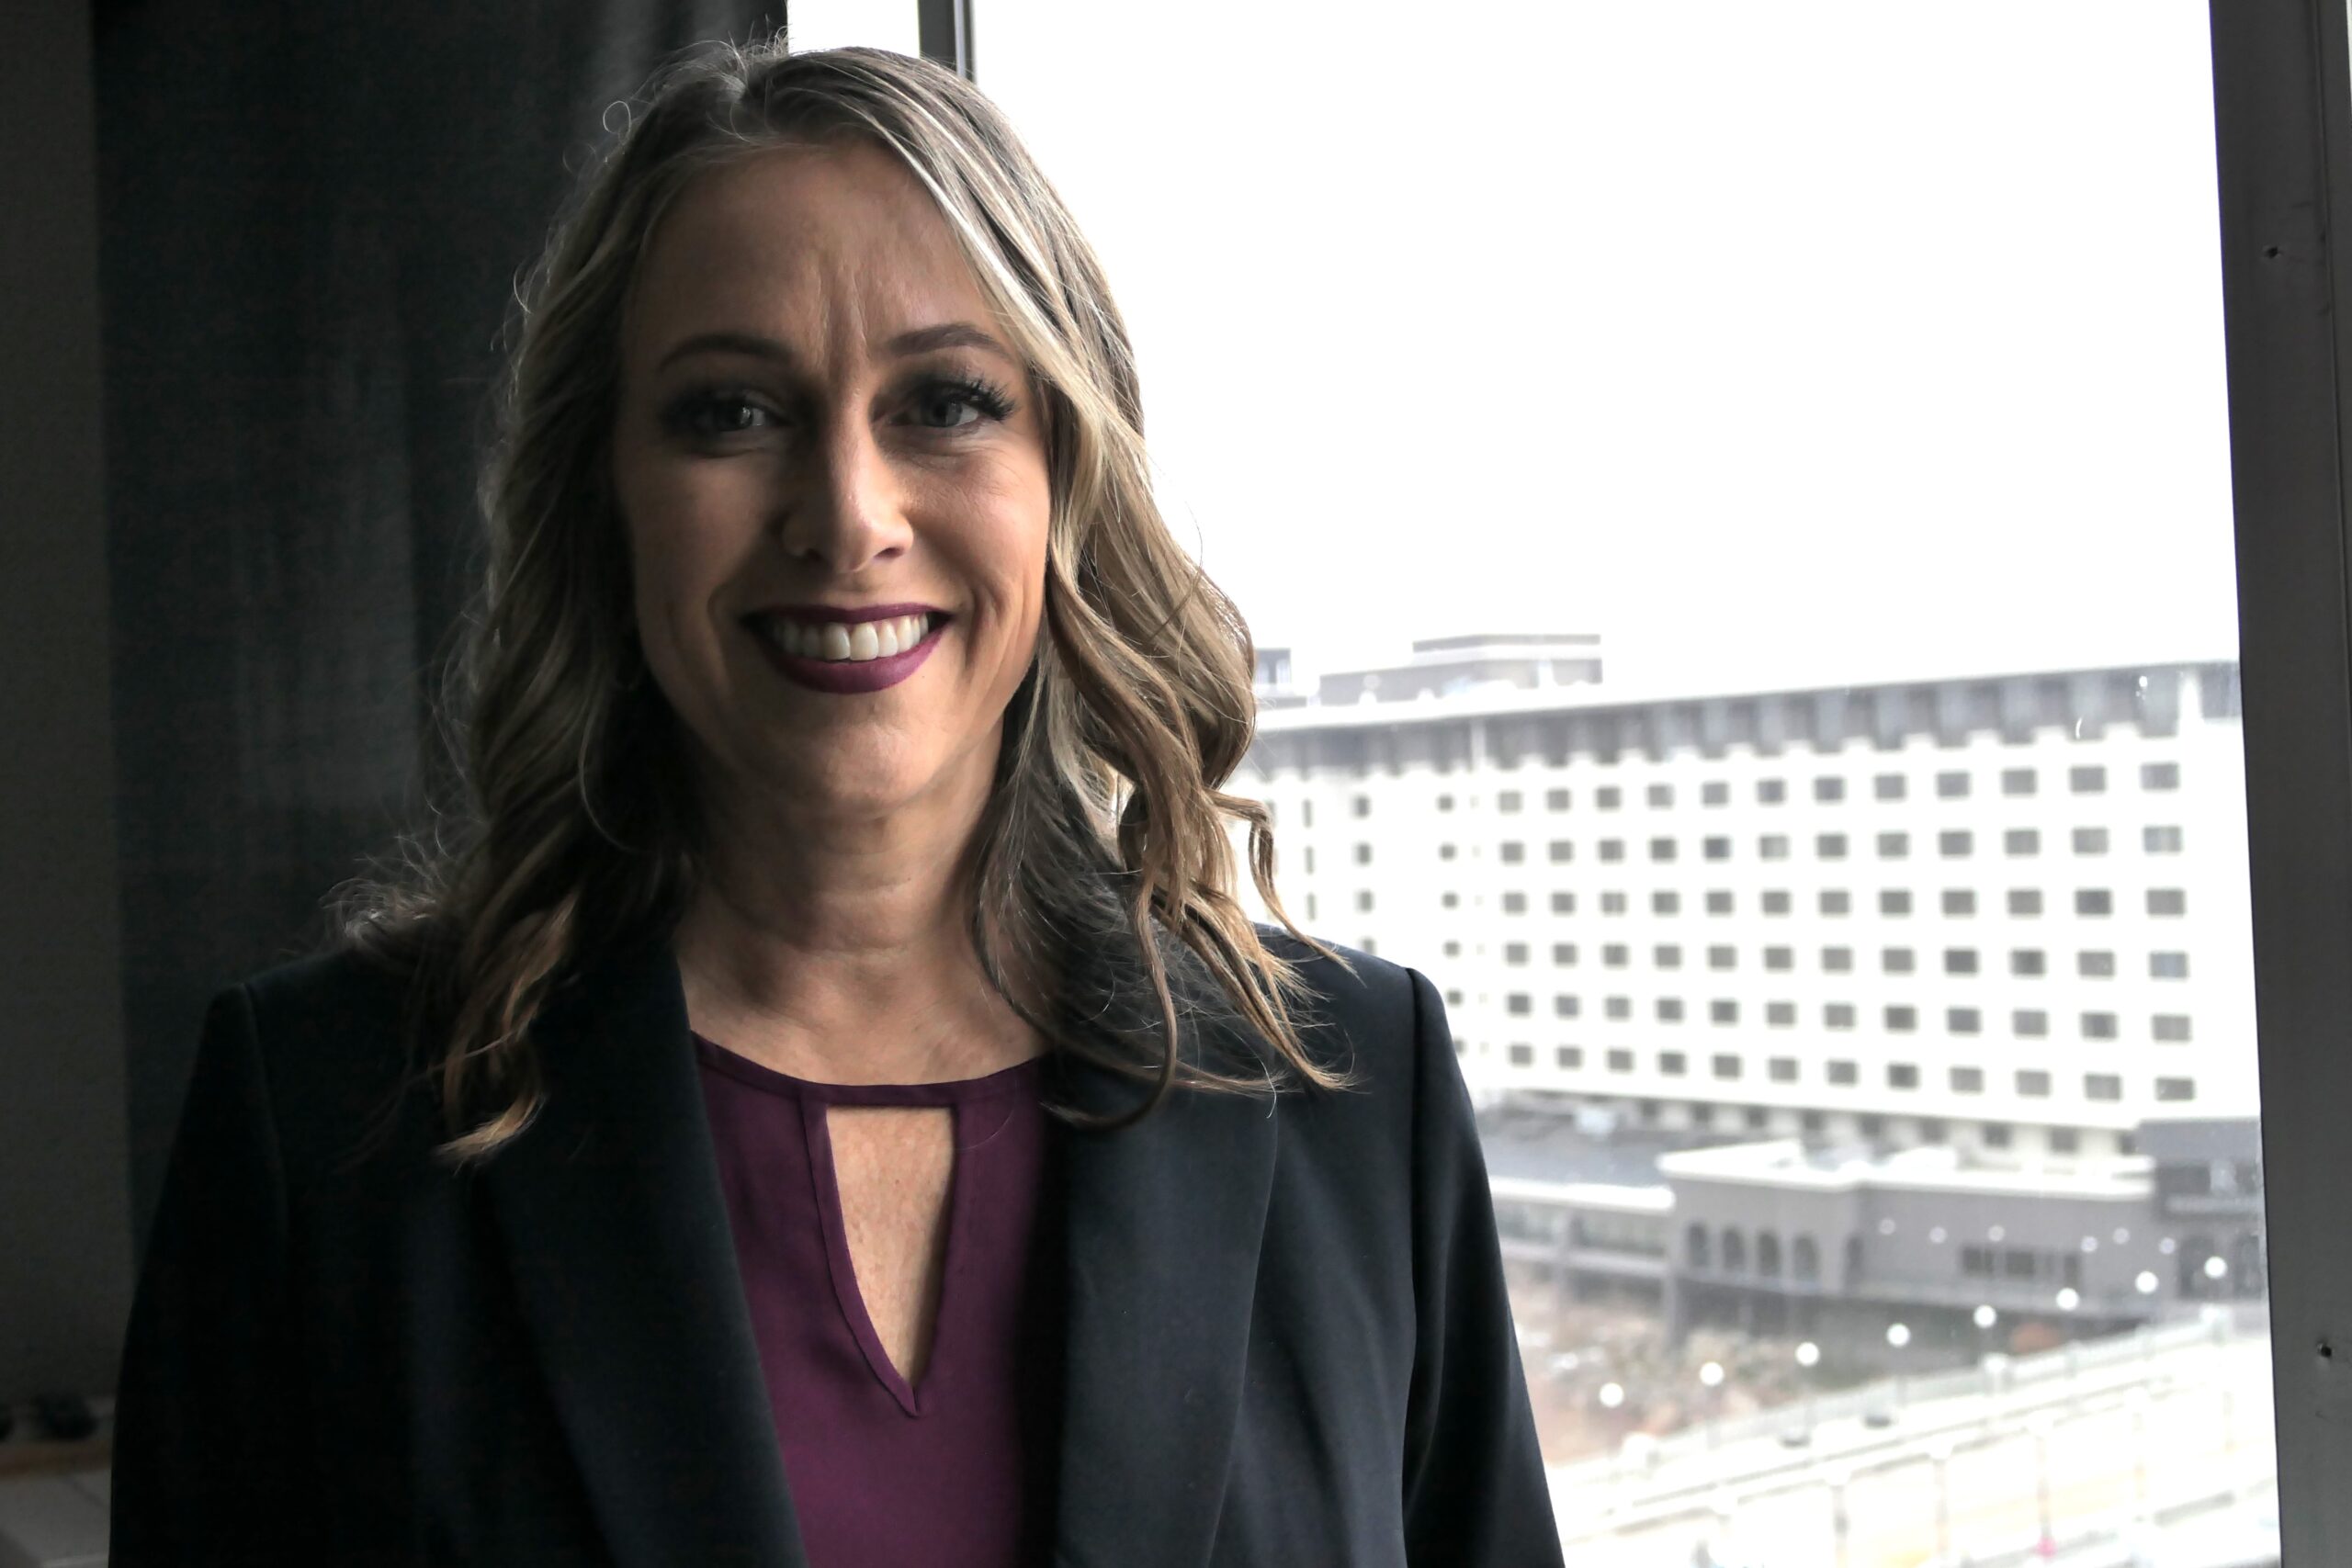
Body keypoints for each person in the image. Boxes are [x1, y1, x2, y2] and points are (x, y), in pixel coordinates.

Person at [107, 34, 1563, 1567]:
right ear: (603, 494)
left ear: (1066, 469)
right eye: (732, 413)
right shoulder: (325, 1115)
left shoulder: (1351, 1089)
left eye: (945, 401)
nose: (849, 517)